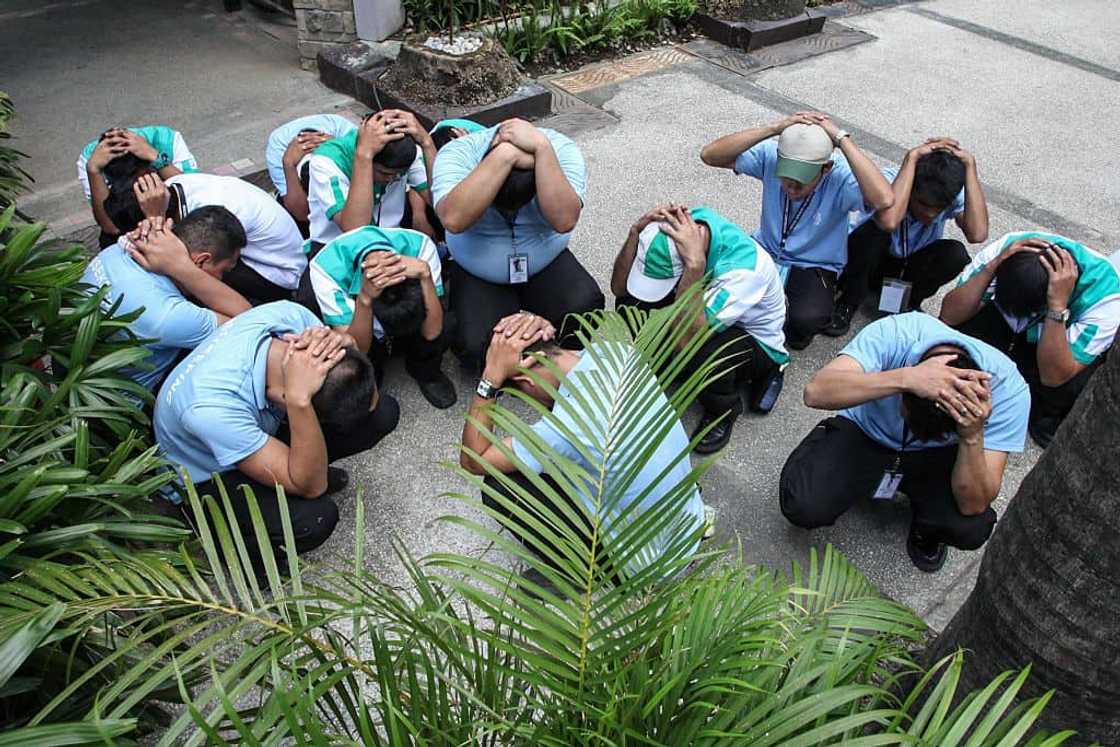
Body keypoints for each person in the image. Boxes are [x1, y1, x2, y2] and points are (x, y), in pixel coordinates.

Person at [459, 312, 705, 583]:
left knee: (500, 488)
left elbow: (473, 459)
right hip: (687, 526)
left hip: (649, 567)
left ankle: (573, 572)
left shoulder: (568, 426)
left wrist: (490, 379)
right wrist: (539, 328)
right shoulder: (615, 353)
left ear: (526, 380)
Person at [780, 312, 1029, 572]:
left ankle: (928, 527)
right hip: (867, 432)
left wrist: (972, 435)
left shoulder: (1008, 388)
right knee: (803, 504)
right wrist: (903, 378)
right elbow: (815, 391)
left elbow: (974, 503)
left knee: (970, 527)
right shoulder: (899, 333)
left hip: (938, 457)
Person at [154, 301, 400, 561]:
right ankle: (244, 556)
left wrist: (346, 344)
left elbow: (366, 393)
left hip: (255, 426)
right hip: (208, 473)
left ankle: (301, 466)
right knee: (315, 517)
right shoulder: (210, 409)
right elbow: (312, 488)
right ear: (284, 396)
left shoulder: (296, 322)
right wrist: (298, 402)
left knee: (382, 413)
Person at [700, 112, 894, 350]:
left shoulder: (841, 176)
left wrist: (842, 139)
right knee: (725, 303)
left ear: (825, 168)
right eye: (785, 178)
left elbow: (884, 199)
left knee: (805, 322)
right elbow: (709, 155)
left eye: (801, 181)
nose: (791, 188)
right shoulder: (772, 156)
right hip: (767, 250)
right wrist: (773, 128)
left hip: (813, 264)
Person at [611, 205, 787, 453]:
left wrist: (694, 268)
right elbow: (620, 290)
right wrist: (634, 234)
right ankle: (659, 363)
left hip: (754, 340)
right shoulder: (684, 223)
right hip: (706, 312)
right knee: (633, 302)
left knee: (706, 353)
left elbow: (689, 343)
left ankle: (722, 410)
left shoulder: (744, 271)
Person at [433, 118, 604, 367]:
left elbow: (565, 220)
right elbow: (453, 219)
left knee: (585, 306)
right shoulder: (459, 152)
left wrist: (543, 151)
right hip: (478, 271)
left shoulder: (560, 147)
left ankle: (557, 351)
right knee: (473, 347)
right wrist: (505, 156)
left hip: (545, 261)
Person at [940, 231, 1120, 447]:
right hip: (1006, 332)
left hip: (1049, 348)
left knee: (1078, 376)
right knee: (960, 324)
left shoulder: (1106, 296)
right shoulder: (1006, 249)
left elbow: (1055, 376)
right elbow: (949, 316)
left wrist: (1057, 308)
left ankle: (1044, 414)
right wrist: (991, 268)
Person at [826, 138, 988, 336]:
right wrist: (911, 158)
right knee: (874, 232)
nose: (930, 214)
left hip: (909, 265)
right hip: (869, 263)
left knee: (956, 253)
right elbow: (889, 221)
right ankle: (848, 301)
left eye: (938, 209)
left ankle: (909, 302)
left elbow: (978, 233)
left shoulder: (948, 192)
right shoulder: (889, 180)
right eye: (924, 204)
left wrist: (970, 166)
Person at [80, 209, 250, 392]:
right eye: (224, 271)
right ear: (201, 261)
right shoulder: (169, 316)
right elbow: (250, 323)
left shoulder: (115, 251)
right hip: (125, 407)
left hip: (80, 370)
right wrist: (183, 268)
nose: (223, 279)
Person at [300, 225, 456, 408]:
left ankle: (425, 370)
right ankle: (375, 370)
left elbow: (432, 331)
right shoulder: (325, 269)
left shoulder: (420, 247)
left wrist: (425, 275)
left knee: (445, 322)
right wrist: (364, 299)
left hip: (404, 315)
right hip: (364, 327)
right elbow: (356, 346)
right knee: (354, 361)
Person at [104, 171, 307, 305]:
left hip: (277, 275)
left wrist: (154, 219)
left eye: (142, 229)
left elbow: (173, 261)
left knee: (186, 272)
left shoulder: (212, 216)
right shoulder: (168, 190)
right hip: (245, 254)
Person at [305, 110, 434, 245]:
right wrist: (364, 156)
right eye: (384, 173)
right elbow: (355, 230)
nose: (391, 179)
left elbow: (442, 203)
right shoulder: (326, 161)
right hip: (337, 249)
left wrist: (427, 143)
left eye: (398, 175)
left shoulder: (407, 152)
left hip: (390, 242)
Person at [77, 125, 198, 248]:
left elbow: (194, 196)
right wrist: (93, 171)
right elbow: (111, 227)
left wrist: (157, 158)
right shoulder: (91, 160)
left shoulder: (168, 141)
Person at [265, 113, 356, 224]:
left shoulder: (340, 128)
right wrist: (288, 165)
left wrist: (341, 147)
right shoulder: (278, 146)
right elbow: (302, 214)